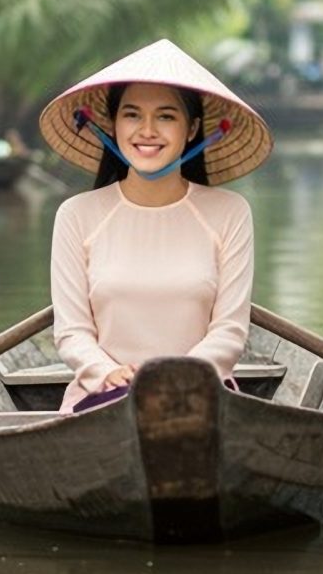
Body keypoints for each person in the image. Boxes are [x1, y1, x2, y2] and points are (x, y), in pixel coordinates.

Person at [36, 40, 274, 413]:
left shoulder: (229, 213)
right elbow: (71, 332)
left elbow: (229, 331)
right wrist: (106, 372)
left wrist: (180, 378)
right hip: (101, 402)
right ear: (113, 125)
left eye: (165, 117)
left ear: (192, 128)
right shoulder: (76, 215)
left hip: (202, 397)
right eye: (132, 115)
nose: (147, 130)